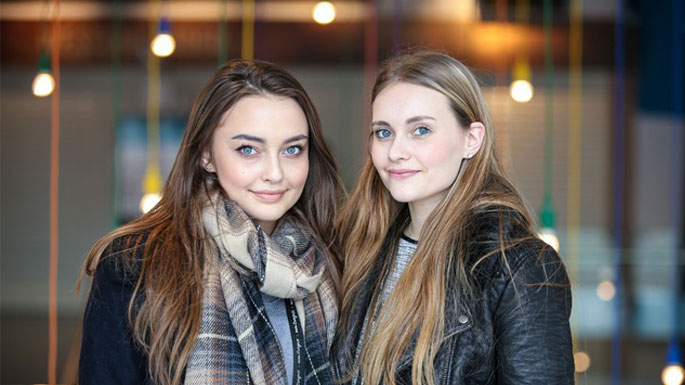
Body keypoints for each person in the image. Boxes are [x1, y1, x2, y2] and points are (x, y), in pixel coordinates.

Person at [78, 59, 345, 385]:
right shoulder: (135, 262)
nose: (275, 173)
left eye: (292, 150)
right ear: (206, 154)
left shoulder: (331, 256)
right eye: (248, 149)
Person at [331, 51, 574, 385]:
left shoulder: (518, 266)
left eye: (420, 130)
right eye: (384, 132)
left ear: (471, 140)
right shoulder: (359, 245)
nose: (396, 151)